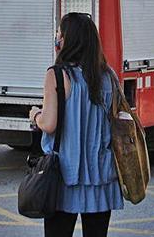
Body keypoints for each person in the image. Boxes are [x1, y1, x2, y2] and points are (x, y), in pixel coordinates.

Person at [29, 13, 124, 237]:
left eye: (59, 34)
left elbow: (49, 124)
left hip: (64, 175)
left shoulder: (57, 75)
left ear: (66, 41)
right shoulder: (108, 75)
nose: (56, 39)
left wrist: (35, 115)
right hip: (100, 174)